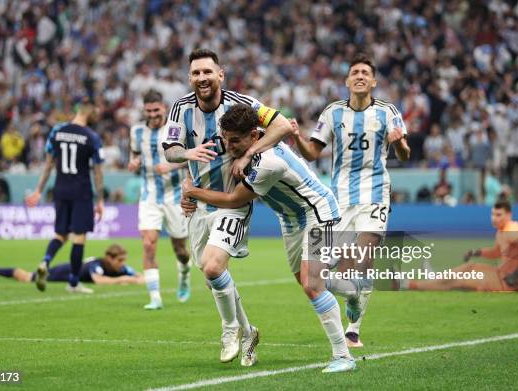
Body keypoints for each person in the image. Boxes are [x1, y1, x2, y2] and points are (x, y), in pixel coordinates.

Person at [183, 103, 355, 373]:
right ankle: (351, 289)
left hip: (318, 212)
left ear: (254, 136)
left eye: (235, 141)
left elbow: (232, 199)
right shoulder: (253, 148)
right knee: (307, 281)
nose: (229, 147)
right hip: (290, 220)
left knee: (312, 284)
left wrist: (192, 191)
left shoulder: (269, 162)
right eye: (226, 140)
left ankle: (343, 356)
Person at [162, 48, 292, 367]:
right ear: (190, 77)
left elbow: (283, 126)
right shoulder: (180, 108)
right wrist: (187, 155)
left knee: (213, 267)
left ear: (221, 74)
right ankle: (249, 332)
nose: (202, 78)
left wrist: (248, 155)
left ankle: (230, 329)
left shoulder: (242, 103)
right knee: (212, 277)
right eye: (195, 73)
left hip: (233, 200)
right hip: (199, 204)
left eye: (208, 72)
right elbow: (171, 151)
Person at [290, 54, 410, 347]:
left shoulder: (388, 111)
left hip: (375, 195)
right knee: (325, 271)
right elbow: (312, 153)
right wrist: (296, 137)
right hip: (338, 199)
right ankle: (353, 296)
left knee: (362, 259)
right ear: (347, 81)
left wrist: (399, 143)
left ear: (373, 81)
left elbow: (404, 156)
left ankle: (353, 328)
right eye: (354, 72)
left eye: (365, 72)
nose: (359, 76)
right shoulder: (332, 113)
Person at [25, 98, 104, 294]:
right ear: (88, 111)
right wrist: (100, 200)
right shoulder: (91, 137)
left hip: (60, 189)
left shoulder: (57, 131)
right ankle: (74, 282)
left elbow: (48, 164)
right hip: (81, 191)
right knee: (79, 237)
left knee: (60, 234)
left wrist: (38, 190)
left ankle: (45, 262)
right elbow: (97, 172)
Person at [127, 89, 191, 310]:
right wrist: (133, 163)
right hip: (149, 195)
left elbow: (191, 157)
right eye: (148, 111)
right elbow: (135, 154)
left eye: (156, 110)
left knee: (180, 250)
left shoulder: (175, 130)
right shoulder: (136, 131)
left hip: (175, 196)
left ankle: (184, 273)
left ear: (164, 108)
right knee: (148, 244)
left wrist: (171, 165)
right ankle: (155, 297)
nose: (152, 114)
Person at [399, 201, 518, 291]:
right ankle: (435, 277)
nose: (494, 218)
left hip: (510, 283)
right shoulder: (501, 232)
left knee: (457, 281)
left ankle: (408, 284)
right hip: (500, 274)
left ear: (508, 215)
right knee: (470, 266)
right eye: (492, 214)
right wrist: (476, 252)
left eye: (499, 215)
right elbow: (497, 252)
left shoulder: (513, 229)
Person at [0, 244, 143, 286]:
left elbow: (138, 276)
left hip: (69, 272)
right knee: (28, 278)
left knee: (29, 277)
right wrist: (123, 279)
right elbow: (99, 280)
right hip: (63, 271)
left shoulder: (121, 268)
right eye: (119, 260)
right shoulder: (97, 264)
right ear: (109, 258)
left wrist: (138, 279)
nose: (122, 264)